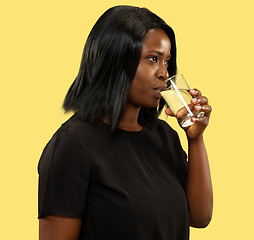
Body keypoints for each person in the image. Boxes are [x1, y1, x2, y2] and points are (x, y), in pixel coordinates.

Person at [38, 5, 212, 240]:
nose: (164, 73)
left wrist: (196, 138)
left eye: (167, 62)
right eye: (153, 59)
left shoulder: (164, 137)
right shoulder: (73, 145)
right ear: (117, 60)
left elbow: (200, 217)